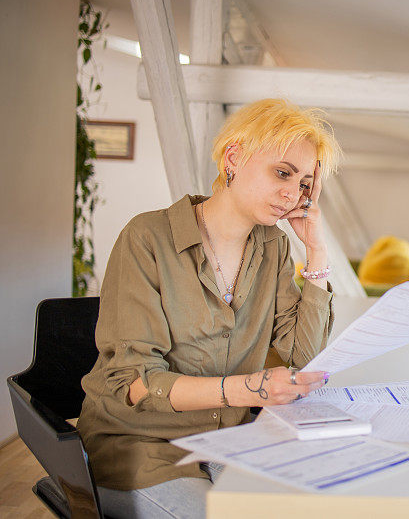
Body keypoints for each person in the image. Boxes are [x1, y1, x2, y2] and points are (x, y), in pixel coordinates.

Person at [76, 98, 341, 518]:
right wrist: (250, 389)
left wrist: (316, 249)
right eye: (282, 172)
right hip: (140, 443)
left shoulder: (272, 246)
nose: (293, 193)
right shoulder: (147, 237)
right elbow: (136, 383)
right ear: (234, 158)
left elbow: (302, 354)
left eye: (306, 183)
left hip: (226, 438)